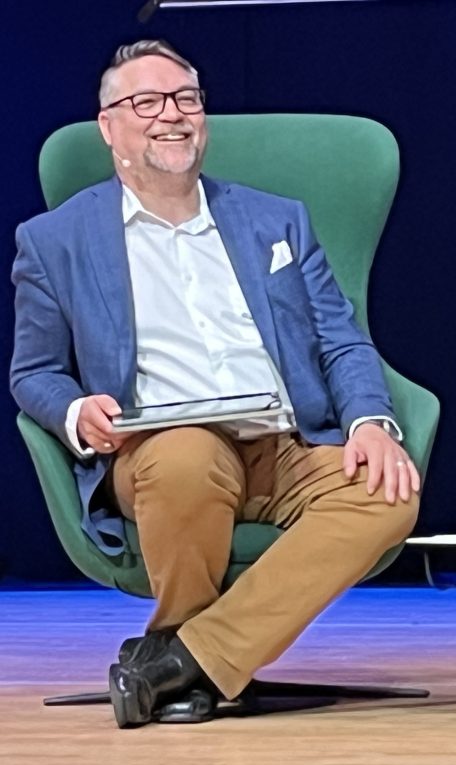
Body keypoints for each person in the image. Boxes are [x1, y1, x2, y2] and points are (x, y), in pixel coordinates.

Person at [10, 40, 420, 728]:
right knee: (186, 456)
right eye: (146, 102)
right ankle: (197, 662)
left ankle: (182, 663)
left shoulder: (275, 219)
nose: (171, 115)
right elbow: (34, 372)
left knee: (387, 490)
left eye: (186, 99)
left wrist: (371, 424)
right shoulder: (56, 240)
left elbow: (340, 338)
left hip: (285, 441)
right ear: (109, 128)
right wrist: (78, 411)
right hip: (160, 445)